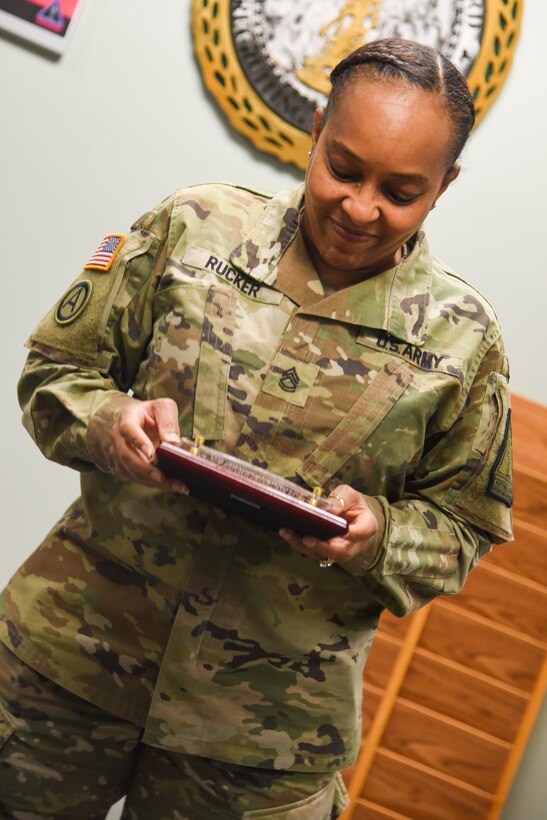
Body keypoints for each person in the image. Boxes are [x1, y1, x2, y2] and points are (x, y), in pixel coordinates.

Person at [0, 37, 512, 819]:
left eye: (401, 190)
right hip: (67, 662)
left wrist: (377, 535)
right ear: (315, 131)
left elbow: (465, 528)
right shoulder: (194, 225)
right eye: (343, 168)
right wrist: (112, 422)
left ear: (444, 187)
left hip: (263, 736)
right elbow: (52, 376)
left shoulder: (463, 341)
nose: (360, 206)